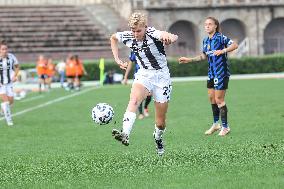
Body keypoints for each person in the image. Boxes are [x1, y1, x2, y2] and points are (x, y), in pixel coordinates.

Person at [110, 12, 178, 155]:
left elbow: (172, 36)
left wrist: (169, 38)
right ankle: (125, 133)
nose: (135, 34)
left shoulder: (153, 33)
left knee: (160, 122)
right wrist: (117, 59)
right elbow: (113, 38)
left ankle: (158, 137)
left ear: (145, 27)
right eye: (133, 31)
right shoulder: (128, 36)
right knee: (134, 100)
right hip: (144, 74)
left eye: (138, 31)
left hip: (162, 77)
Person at [179, 16, 238, 136]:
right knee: (212, 99)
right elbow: (204, 56)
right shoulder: (206, 40)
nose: (207, 26)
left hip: (221, 73)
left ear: (215, 26)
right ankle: (216, 124)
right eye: (206, 24)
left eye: (210, 24)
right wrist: (189, 60)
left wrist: (223, 51)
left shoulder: (221, 38)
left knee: (219, 100)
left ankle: (225, 127)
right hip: (211, 73)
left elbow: (235, 45)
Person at [122, 51, 152, 120]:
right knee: (139, 95)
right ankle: (141, 113)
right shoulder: (134, 50)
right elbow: (130, 64)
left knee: (149, 95)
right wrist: (125, 77)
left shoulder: (149, 48)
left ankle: (145, 107)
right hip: (138, 76)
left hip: (149, 75)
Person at [0, 39, 20, 126]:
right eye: (3, 49)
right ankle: (9, 120)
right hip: (0, 84)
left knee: (11, 101)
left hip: (9, 83)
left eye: (6, 49)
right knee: (6, 101)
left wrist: (15, 75)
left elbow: (17, 66)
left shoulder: (11, 56)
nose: (5, 51)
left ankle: (2, 110)